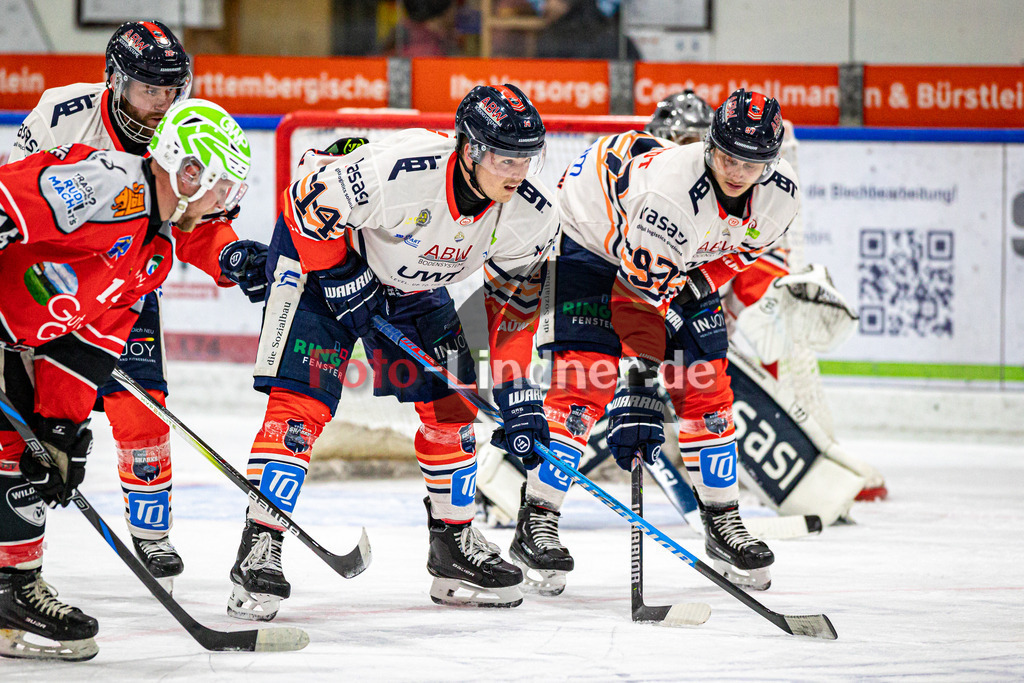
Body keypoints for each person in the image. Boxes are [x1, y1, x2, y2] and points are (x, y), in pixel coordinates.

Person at [226, 83, 558, 620]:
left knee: (454, 406)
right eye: (505, 158)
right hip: (322, 261)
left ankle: (453, 547)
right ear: (469, 149)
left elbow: (512, 313)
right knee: (301, 409)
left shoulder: (532, 213)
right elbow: (303, 204)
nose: (518, 172)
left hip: (414, 286)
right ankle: (260, 546)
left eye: (527, 158)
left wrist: (519, 394)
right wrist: (340, 273)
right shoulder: (403, 171)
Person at [502, 89, 799, 595]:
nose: (735, 171)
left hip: (675, 259)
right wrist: (638, 394)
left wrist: (695, 290)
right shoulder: (669, 195)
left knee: (703, 380)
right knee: (586, 381)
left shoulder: (781, 195)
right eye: (727, 156)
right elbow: (635, 306)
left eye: (750, 163)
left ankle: (723, 520)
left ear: (770, 164)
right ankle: (538, 520)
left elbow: (740, 253)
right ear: (709, 145)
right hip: (585, 241)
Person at [6, 21, 269, 588]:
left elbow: (195, 221)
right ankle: (18, 569)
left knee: (140, 405)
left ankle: (151, 534)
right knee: (20, 426)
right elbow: (20, 192)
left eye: (173, 89)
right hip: (45, 279)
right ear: (115, 81)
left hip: (121, 279)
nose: (163, 103)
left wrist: (229, 256)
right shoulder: (62, 114)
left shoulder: (185, 130)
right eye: (150, 89)